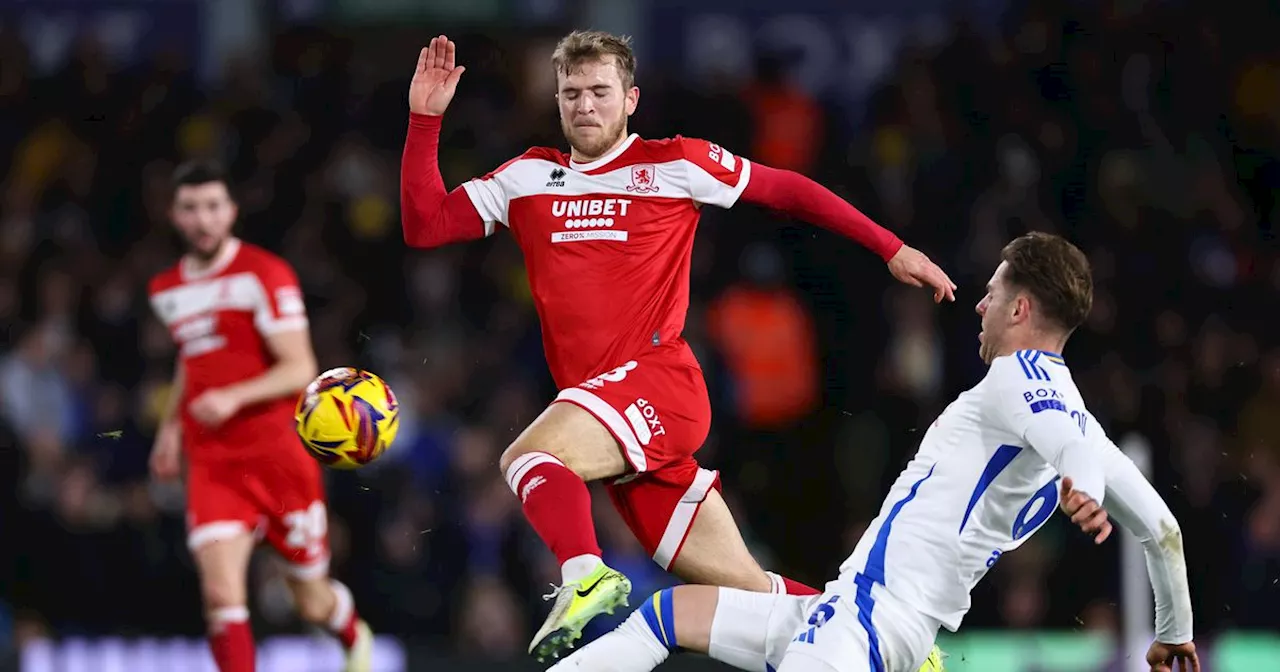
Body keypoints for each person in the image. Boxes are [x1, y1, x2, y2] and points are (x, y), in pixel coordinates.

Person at [399, 31, 957, 661]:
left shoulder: (675, 164)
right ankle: (899, 647)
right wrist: (425, 120)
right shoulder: (527, 177)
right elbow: (425, 225)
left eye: (600, 92)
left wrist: (892, 248)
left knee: (528, 458)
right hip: (611, 420)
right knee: (750, 590)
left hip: (658, 384)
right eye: (572, 93)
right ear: (557, 102)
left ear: (631, 98)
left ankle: (585, 576)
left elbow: (790, 190)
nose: (585, 106)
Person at [548, 232, 1200, 672]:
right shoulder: (1067, 413)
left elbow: (1071, 444)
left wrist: (1081, 483)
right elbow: (1162, 531)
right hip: (853, 615)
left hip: (863, 630)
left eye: (994, 291)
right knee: (664, 615)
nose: (980, 303)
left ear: (1022, 308)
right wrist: (1173, 633)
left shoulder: (1021, 379)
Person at [148, 162, 373, 672]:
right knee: (220, 596)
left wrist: (233, 397)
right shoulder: (166, 289)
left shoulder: (265, 274)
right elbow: (192, 357)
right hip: (213, 462)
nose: (202, 219)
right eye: (190, 208)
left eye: (212, 207)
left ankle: (352, 631)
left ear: (230, 212)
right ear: (174, 216)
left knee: (310, 601)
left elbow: (301, 368)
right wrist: (169, 430)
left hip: (277, 458)